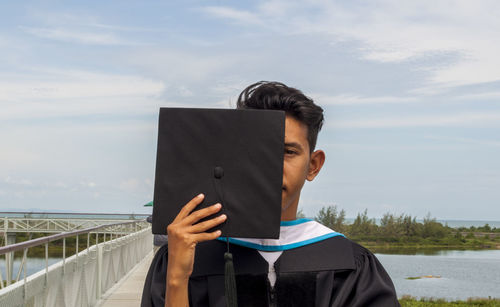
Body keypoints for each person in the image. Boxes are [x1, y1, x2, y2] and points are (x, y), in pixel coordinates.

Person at [141, 81, 400, 307]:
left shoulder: (349, 263)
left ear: (313, 165)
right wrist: (177, 278)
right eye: (256, 152)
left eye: (288, 152)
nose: (271, 168)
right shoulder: (183, 257)